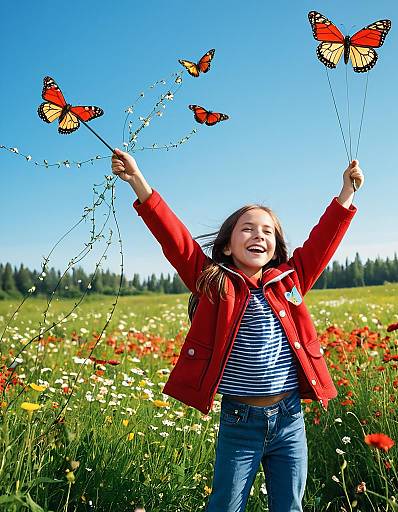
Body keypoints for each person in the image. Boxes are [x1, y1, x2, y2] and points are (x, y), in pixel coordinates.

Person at [111, 149, 364, 512]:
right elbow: (175, 239)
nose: (258, 235)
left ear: (275, 246)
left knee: (289, 507)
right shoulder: (213, 283)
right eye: (247, 228)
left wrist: (347, 194)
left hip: (290, 420)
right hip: (239, 421)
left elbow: (323, 242)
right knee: (225, 506)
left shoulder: (290, 281)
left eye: (267, 231)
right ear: (228, 245)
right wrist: (137, 180)